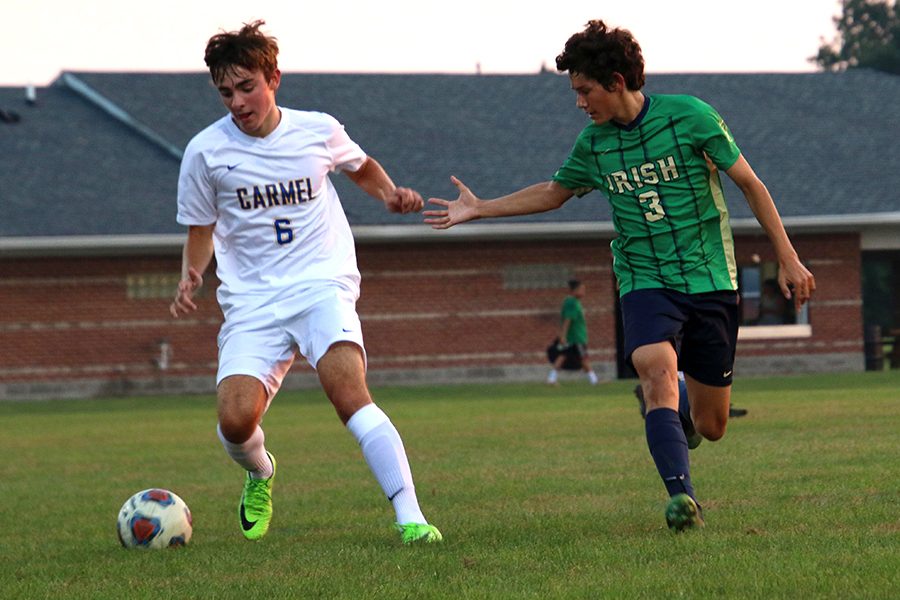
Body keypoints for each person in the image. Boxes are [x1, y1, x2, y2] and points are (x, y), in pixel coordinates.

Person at [424, 19, 815, 531]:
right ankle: (683, 499)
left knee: (712, 425)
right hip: (644, 278)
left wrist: (787, 256)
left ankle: (682, 422)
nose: (580, 103)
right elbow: (554, 191)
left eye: (585, 91)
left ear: (616, 81)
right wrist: (481, 209)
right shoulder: (594, 145)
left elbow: (750, 184)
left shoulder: (691, 117)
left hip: (710, 280)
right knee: (654, 369)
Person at [169, 20, 441, 544]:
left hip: (321, 284)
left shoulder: (317, 128)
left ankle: (412, 519)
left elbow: (360, 167)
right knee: (233, 421)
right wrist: (193, 271)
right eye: (226, 92)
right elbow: (200, 227)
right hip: (251, 301)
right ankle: (260, 472)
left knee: (348, 392)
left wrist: (387, 194)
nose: (238, 102)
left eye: (247, 87)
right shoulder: (205, 152)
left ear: (273, 77)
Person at [547, 279, 600, 385]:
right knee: (583, 357)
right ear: (574, 290)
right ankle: (594, 381)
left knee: (564, 356)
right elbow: (568, 319)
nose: (584, 292)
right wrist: (563, 335)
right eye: (582, 289)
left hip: (574, 337)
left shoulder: (573, 301)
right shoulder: (571, 302)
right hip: (575, 337)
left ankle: (551, 379)